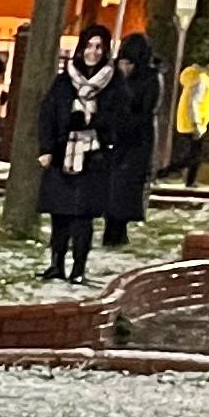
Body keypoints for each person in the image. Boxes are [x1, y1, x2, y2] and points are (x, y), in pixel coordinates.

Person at [37, 24, 130, 284]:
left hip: (93, 158)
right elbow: (47, 115)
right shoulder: (64, 80)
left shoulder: (114, 82)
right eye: (89, 45)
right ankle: (56, 264)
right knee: (59, 215)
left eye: (99, 47)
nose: (93, 52)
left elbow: (121, 119)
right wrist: (46, 149)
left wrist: (96, 124)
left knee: (82, 218)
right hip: (62, 156)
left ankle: (78, 268)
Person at [102, 24, 167, 249]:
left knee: (126, 187)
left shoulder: (150, 79)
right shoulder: (118, 78)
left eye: (129, 62)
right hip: (118, 139)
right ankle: (113, 231)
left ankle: (118, 231)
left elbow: (145, 111)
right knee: (113, 187)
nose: (124, 66)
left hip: (137, 141)